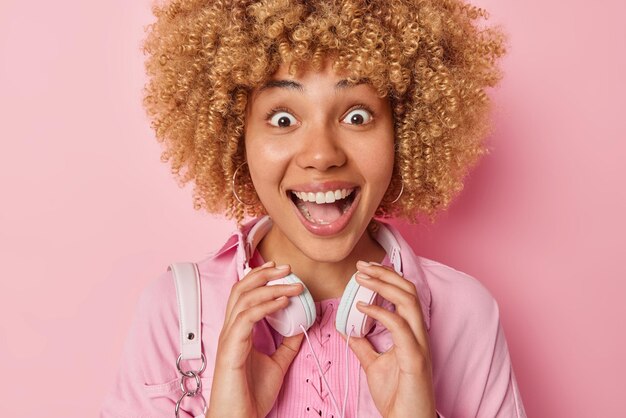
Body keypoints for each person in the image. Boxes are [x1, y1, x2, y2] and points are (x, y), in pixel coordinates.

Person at [102, 0, 526, 417]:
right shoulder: (177, 312)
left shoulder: (465, 314)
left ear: (403, 130)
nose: (322, 155)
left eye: (357, 116)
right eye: (283, 119)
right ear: (235, 135)